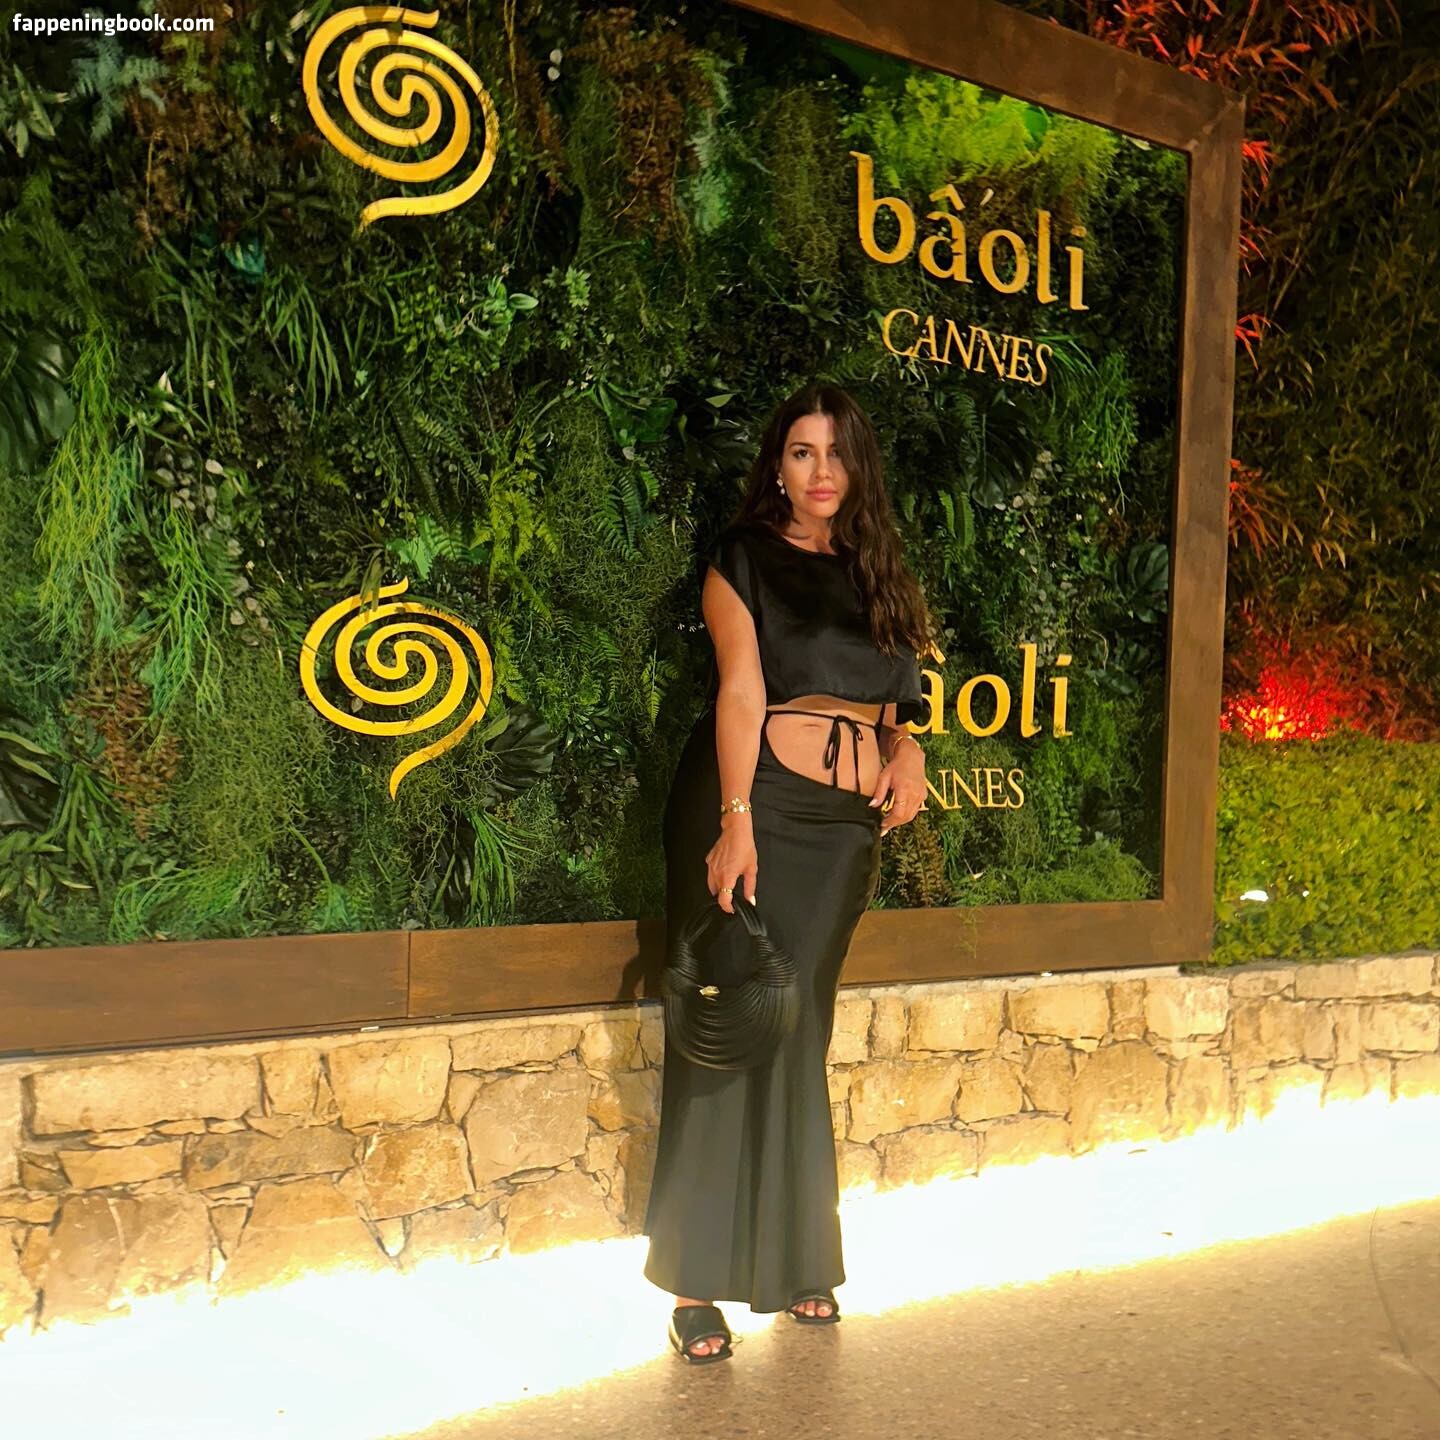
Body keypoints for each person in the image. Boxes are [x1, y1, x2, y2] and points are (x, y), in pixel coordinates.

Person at [642, 382, 938, 1363]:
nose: (820, 470)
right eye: (802, 452)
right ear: (778, 464)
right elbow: (740, 692)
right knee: (735, 1021)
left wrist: (908, 751)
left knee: (801, 1021)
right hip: (758, 803)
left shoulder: (876, 569)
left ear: (858, 467)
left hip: (842, 830)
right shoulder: (744, 558)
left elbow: (891, 704)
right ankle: (695, 1287)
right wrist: (734, 823)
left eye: (836, 453)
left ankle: (799, 1260)